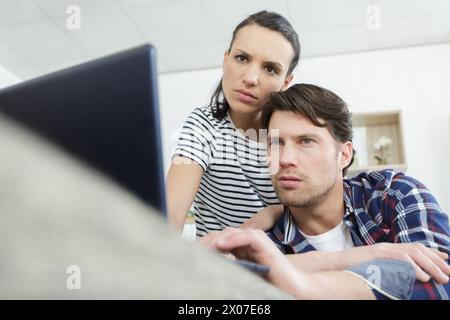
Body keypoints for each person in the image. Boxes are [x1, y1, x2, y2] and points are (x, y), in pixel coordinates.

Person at [202, 83, 450, 299]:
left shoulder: (393, 194)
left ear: (344, 155)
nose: (285, 158)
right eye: (276, 143)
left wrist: (304, 285)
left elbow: (440, 285)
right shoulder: (267, 243)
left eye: (306, 141)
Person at [166, 11, 299, 236]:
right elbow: (168, 219)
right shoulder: (203, 126)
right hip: (218, 265)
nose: (250, 78)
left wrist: (276, 211)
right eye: (242, 58)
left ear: (285, 82)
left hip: (286, 265)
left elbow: (319, 209)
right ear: (225, 59)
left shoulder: (293, 133)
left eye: (270, 69)